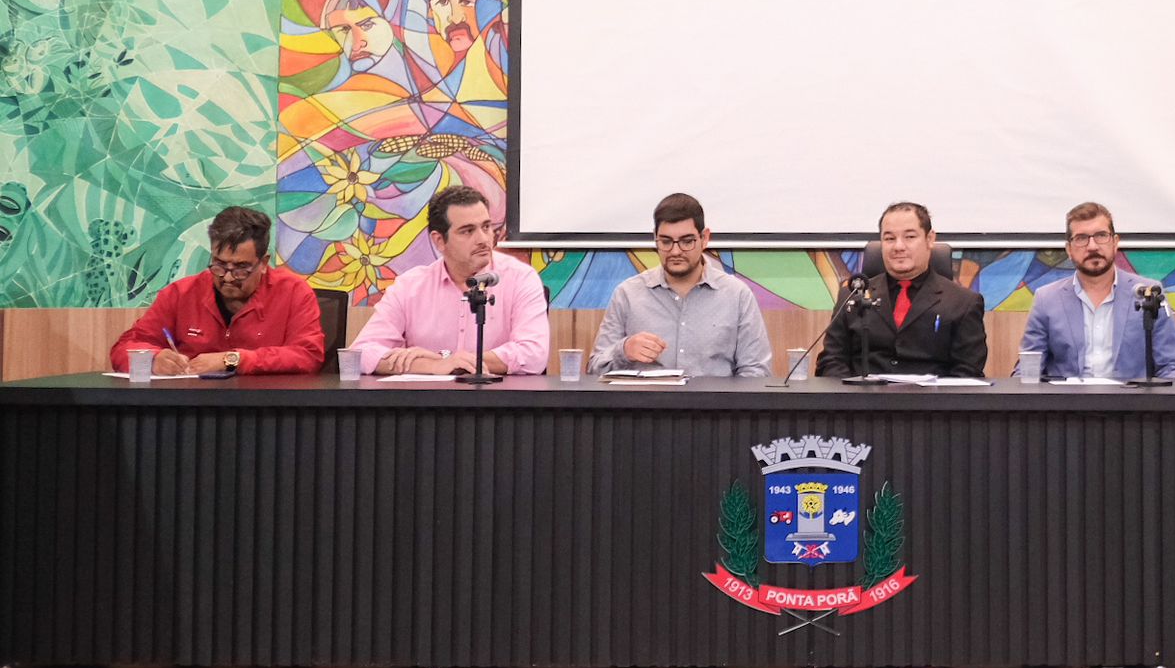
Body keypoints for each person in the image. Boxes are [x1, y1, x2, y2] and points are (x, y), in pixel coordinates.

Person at [349, 185, 548, 375]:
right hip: (429, 398)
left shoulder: (520, 278)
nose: (483, 239)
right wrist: (432, 365)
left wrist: (451, 361)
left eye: (486, 227)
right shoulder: (409, 287)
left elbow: (533, 354)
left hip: (496, 397)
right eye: (468, 231)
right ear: (439, 240)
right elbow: (361, 354)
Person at [110, 206, 324, 375]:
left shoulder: (294, 292)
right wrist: (152, 359)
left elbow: (308, 355)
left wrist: (233, 360)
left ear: (263, 263)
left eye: (241, 268)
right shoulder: (181, 294)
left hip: (265, 407)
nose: (228, 278)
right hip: (192, 406)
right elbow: (124, 347)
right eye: (219, 265)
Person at [588, 193, 772, 377]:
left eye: (687, 241)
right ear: (655, 238)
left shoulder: (737, 295)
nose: (675, 251)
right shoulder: (628, 294)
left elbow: (756, 371)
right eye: (666, 242)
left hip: (713, 397)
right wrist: (624, 351)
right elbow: (595, 369)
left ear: (704, 238)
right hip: (646, 396)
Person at [1018, 202, 1175, 380]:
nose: (1092, 246)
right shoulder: (1047, 299)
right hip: (1068, 397)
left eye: (1101, 235)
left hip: (1132, 397)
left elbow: (1172, 366)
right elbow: (1027, 371)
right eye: (1081, 238)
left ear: (1115, 242)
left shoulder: (1149, 294)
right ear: (1069, 249)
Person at [816, 202, 987, 378]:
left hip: (933, 395)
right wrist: (851, 392)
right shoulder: (852, 296)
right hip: (863, 394)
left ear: (930, 239)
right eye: (889, 239)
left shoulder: (963, 302)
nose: (898, 247)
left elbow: (968, 371)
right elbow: (831, 361)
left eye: (910, 237)